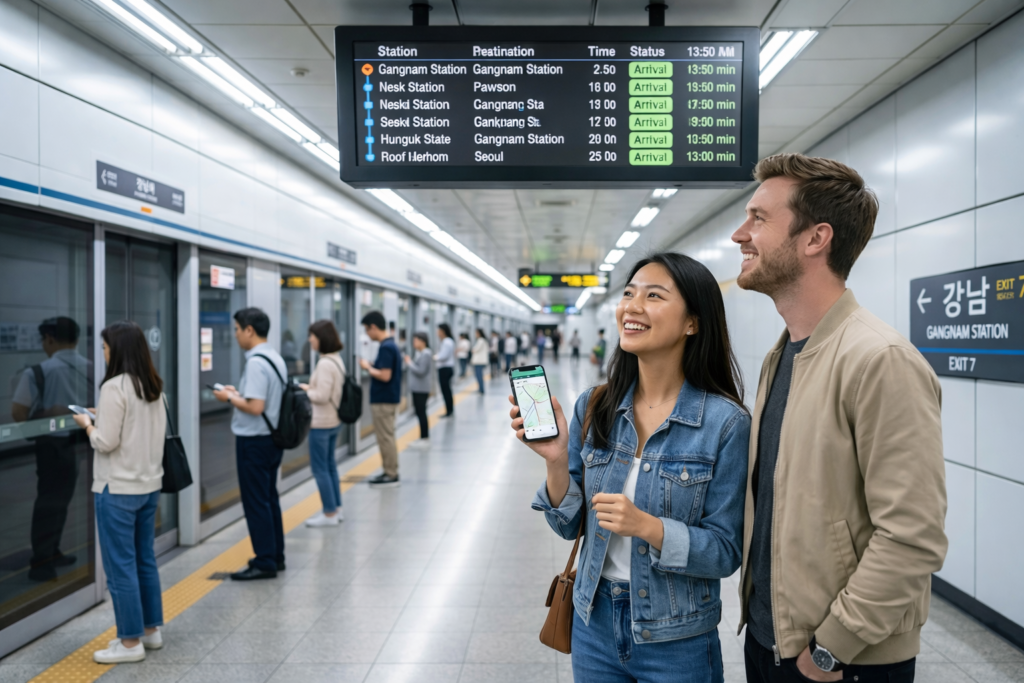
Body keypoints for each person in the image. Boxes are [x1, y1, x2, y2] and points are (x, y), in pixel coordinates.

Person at [733, 154, 947, 683]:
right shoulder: (780, 357)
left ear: (815, 239)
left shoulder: (880, 360)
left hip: (842, 662)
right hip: (771, 641)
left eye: (759, 218)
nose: (741, 234)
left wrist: (832, 647)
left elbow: (913, 535)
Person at [515, 253, 749, 683]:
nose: (632, 306)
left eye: (653, 295)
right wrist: (555, 461)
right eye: (628, 293)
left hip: (677, 636)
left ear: (692, 323)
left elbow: (725, 551)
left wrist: (648, 526)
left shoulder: (725, 423)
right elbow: (569, 527)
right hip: (593, 622)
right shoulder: (596, 405)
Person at [72, 321, 166, 664]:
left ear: (118, 350)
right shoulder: (153, 385)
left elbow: (106, 441)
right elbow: (137, 427)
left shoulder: (114, 387)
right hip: (149, 486)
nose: (104, 352)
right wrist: (103, 417)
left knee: (120, 567)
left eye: (105, 347)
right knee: (144, 560)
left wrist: (88, 425)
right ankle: (151, 631)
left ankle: (130, 643)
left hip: (118, 489)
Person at [11, 317, 92, 582]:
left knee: (47, 500)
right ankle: (53, 550)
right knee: (64, 497)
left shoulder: (38, 372)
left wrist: (47, 414)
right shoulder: (91, 368)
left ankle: (42, 561)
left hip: (51, 445)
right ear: (77, 339)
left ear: (49, 339)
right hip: (80, 442)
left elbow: (19, 412)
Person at [212, 308, 288, 581]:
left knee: (256, 502)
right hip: (271, 439)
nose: (235, 335)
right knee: (269, 498)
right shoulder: (274, 357)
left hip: (254, 442)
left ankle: (265, 561)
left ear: (249, 330)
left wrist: (228, 399)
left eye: (236, 329)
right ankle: (275, 555)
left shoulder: (255, 362)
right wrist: (237, 393)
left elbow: (256, 407)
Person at [299, 320, 345, 527]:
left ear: (321, 338)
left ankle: (329, 514)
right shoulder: (336, 359)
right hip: (333, 420)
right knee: (330, 466)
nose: (310, 340)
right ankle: (336, 508)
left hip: (322, 423)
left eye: (312, 336)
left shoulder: (325, 363)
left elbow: (322, 395)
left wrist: (305, 390)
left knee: (320, 469)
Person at [360, 311, 402, 488]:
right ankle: (389, 470)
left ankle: (390, 473)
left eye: (367, 330)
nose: (367, 335)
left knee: (385, 437)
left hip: (383, 400)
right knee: (387, 436)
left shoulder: (386, 347)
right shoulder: (391, 345)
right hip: (388, 399)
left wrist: (367, 367)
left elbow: (385, 375)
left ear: (374, 327)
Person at [405, 332, 432, 445]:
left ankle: (424, 438)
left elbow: (421, 371)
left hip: (422, 388)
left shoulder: (426, 353)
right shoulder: (419, 353)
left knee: (421, 412)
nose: (413, 343)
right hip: (418, 388)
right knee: (420, 412)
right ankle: (422, 437)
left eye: (416, 340)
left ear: (423, 341)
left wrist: (409, 363)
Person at [435, 323, 455, 417]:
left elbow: (443, 356)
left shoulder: (447, 341)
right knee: (447, 390)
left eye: (438, 330)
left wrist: (435, 357)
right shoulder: (447, 341)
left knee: (446, 391)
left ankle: (449, 411)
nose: (437, 332)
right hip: (446, 368)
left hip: (445, 369)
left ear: (442, 331)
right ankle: (449, 410)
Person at [470, 328, 489, 394]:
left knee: (479, 375)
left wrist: (472, 349)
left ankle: (481, 389)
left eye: (476, 333)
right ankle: (480, 388)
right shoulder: (483, 340)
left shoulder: (480, 340)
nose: (475, 335)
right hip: (480, 361)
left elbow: (475, 350)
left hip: (479, 362)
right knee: (479, 375)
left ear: (479, 333)